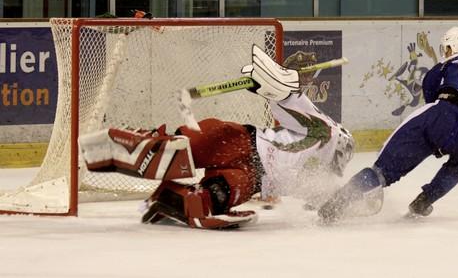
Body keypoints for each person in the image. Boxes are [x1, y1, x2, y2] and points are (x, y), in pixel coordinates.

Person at [78, 45, 354, 229]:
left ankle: (173, 200)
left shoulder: (322, 180)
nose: (342, 160)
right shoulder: (324, 130)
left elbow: (337, 204)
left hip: (252, 177)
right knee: (182, 149)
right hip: (242, 141)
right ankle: (141, 146)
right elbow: (287, 96)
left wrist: (365, 197)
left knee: (214, 197)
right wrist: (288, 78)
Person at [319, 26, 458, 223]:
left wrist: (440, 131)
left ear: (451, 48)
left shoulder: (446, 64)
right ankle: (424, 201)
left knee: (382, 171)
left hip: (444, 116)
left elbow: (430, 89)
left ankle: (337, 203)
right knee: (456, 169)